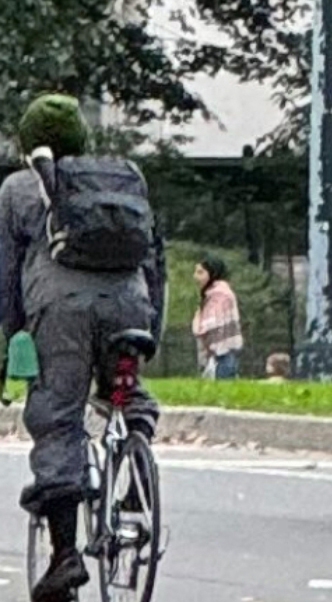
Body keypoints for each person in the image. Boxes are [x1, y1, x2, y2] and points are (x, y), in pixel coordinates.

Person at [0, 93, 167, 601]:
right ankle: (136, 461)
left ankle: (65, 555)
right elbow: (155, 260)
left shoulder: (17, 189)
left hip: (62, 313)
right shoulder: (123, 178)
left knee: (58, 419)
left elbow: (5, 277)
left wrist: (9, 344)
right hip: (130, 304)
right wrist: (149, 333)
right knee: (124, 394)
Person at [192, 254, 243, 379]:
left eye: (200, 272)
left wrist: (197, 322)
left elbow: (210, 326)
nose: (195, 276)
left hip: (222, 354)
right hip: (221, 354)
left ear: (212, 273)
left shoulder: (219, 295)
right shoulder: (217, 293)